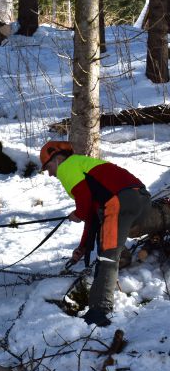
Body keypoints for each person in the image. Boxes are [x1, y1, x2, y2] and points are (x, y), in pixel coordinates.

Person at [40, 140, 151, 326]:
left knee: (107, 255)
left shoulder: (68, 167)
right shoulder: (85, 165)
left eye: (49, 167)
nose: (50, 174)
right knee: (108, 232)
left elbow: (84, 205)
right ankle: (121, 257)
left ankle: (99, 311)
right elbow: (93, 217)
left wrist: (78, 214)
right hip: (141, 199)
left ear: (58, 159)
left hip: (120, 201)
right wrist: (83, 246)